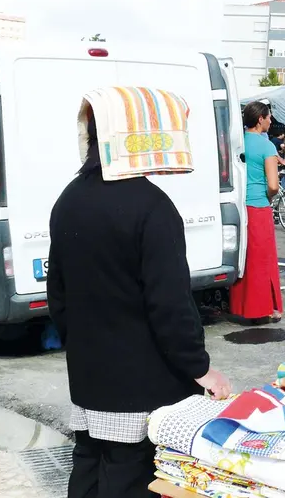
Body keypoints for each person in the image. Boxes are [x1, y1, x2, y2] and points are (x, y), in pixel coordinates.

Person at [50, 89, 231, 498]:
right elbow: (170, 306)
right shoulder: (152, 206)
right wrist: (200, 368)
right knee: (131, 478)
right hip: (142, 387)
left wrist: (82, 346)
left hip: (89, 377)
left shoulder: (68, 199)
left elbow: (58, 295)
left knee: (88, 467)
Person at [230, 101, 284, 322]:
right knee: (264, 260)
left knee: (244, 257)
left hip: (238, 204)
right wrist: (269, 197)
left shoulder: (237, 142)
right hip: (258, 205)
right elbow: (273, 184)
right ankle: (263, 308)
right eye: (269, 117)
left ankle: (239, 306)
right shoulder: (267, 146)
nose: (271, 121)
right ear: (260, 119)